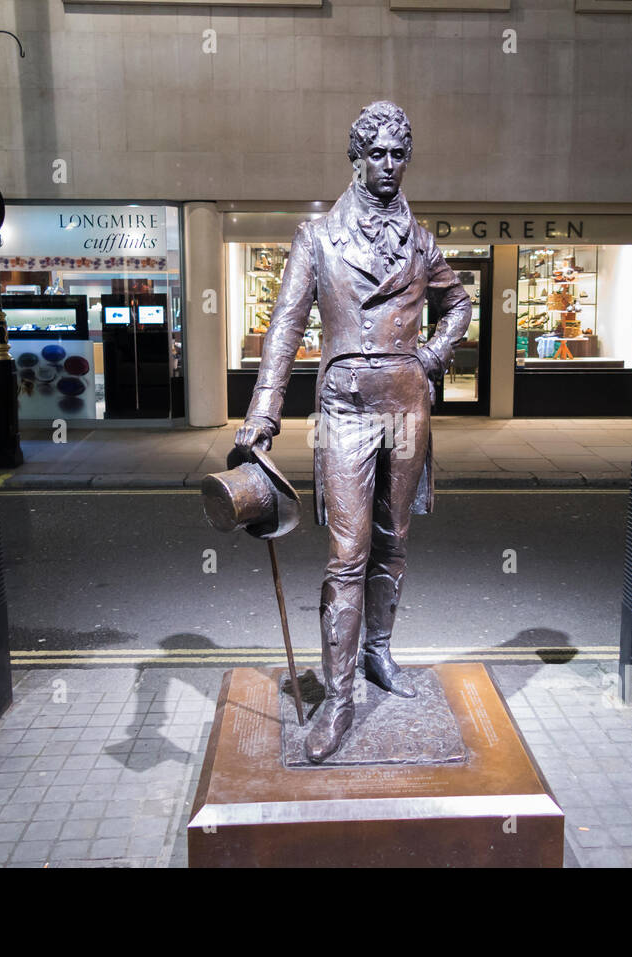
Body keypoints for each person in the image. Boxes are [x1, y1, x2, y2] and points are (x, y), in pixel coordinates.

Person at [233, 101, 471, 763]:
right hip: (343, 405)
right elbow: (285, 326)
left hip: (406, 401)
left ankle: (377, 652)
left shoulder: (421, 240)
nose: (390, 165)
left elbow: (459, 302)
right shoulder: (318, 237)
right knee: (347, 549)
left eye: (400, 154)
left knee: (393, 541)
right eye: (379, 153)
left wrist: (432, 354)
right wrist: (263, 416)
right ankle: (338, 697)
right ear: (356, 157)